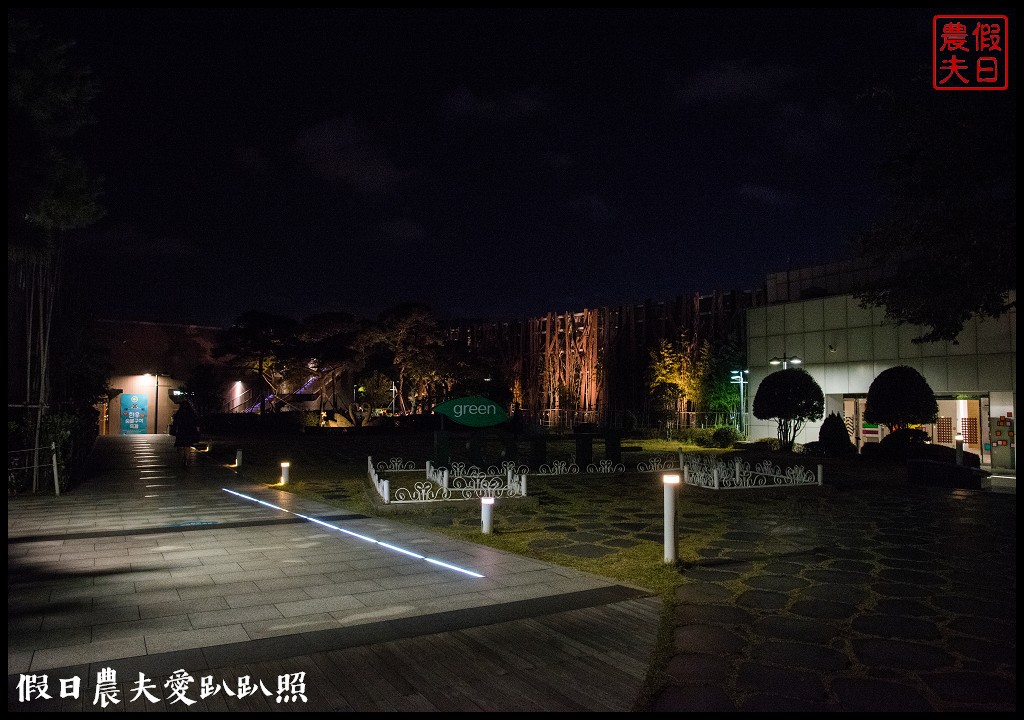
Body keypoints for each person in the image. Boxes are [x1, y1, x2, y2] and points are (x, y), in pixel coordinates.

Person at [170, 401, 201, 467]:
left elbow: (175, 422)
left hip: (181, 431)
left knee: (180, 446)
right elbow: (196, 422)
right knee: (187, 446)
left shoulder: (179, 413)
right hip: (189, 432)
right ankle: (186, 459)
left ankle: (181, 459)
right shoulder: (191, 414)